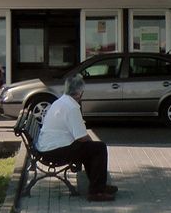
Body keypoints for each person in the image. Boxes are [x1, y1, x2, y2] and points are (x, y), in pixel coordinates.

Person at [35, 74, 118, 202]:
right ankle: (96, 192)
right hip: (55, 150)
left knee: (90, 149)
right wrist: (91, 142)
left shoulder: (60, 101)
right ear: (79, 93)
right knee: (99, 148)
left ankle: (98, 186)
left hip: (48, 147)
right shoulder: (72, 107)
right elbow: (81, 137)